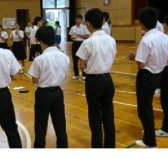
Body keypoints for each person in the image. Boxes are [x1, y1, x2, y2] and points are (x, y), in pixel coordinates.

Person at [129, 7, 168, 148]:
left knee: (144, 108)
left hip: (146, 76)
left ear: (142, 23)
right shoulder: (164, 37)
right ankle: (149, 133)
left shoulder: (146, 40)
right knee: (148, 107)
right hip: (159, 74)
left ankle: (149, 140)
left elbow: (141, 63)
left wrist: (134, 57)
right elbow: (167, 56)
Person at [76, 8, 117, 148]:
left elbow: (82, 65)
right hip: (108, 79)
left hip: (94, 81)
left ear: (88, 23)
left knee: (94, 115)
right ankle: (110, 145)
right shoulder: (111, 40)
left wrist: (86, 67)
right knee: (108, 114)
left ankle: (97, 146)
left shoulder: (88, 42)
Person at [28, 25, 69, 148]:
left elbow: (34, 80)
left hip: (43, 94)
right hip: (58, 93)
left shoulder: (40, 59)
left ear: (40, 40)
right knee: (60, 125)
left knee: (40, 126)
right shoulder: (64, 57)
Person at [69, 14, 90, 80]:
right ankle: (76, 75)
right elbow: (71, 37)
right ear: (75, 20)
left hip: (82, 44)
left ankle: (84, 75)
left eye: (79, 19)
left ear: (81, 20)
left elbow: (87, 36)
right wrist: (73, 37)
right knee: (74, 60)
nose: (77, 20)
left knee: (82, 59)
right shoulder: (73, 28)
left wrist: (78, 35)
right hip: (75, 43)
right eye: (76, 19)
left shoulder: (84, 27)